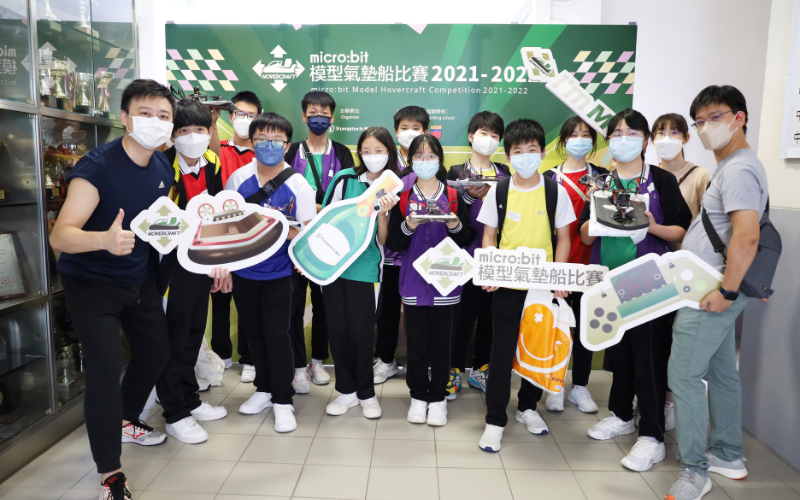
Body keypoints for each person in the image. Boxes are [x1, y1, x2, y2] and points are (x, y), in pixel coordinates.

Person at [49, 79, 177, 500]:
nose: (155, 122)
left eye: (163, 116)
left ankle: (123, 419)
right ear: (125, 118)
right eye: (145, 113)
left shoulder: (162, 166)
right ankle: (111, 474)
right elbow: (60, 236)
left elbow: (152, 223)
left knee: (155, 352)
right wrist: (103, 239)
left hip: (137, 277)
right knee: (104, 373)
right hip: (92, 283)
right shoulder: (97, 167)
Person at [665, 86, 768, 500]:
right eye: (700, 121)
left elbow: (746, 236)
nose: (706, 127)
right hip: (712, 287)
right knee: (723, 372)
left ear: (739, 118)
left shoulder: (739, 169)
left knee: (684, 374)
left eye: (715, 117)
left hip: (713, 291)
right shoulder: (732, 167)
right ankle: (728, 454)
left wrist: (727, 290)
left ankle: (694, 471)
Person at [578, 109, 691, 472]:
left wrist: (652, 226)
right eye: (616, 134)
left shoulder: (661, 180)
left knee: (650, 357)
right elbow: (584, 236)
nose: (623, 140)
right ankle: (621, 414)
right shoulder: (600, 182)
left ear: (645, 140)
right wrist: (594, 217)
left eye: (631, 133)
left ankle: (652, 435)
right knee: (620, 353)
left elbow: (681, 231)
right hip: (609, 281)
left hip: (650, 282)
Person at [475, 118, 575, 452]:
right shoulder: (499, 190)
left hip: (542, 287)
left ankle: (528, 407)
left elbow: (564, 238)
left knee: (538, 349)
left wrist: (558, 276)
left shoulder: (554, 191)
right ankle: (494, 420)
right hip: (506, 286)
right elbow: (489, 237)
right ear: (508, 156)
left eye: (532, 149)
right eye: (518, 151)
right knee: (501, 353)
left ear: (542, 153)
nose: (525, 156)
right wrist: (491, 270)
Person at [224, 112, 316, 432]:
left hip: (280, 274)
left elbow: (307, 234)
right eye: (262, 139)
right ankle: (263, 390)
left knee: (278, 336)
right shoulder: (238, 179)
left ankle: (283, 400)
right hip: (244, 272)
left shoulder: (298, 184)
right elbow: (226, 226)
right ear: (252, 142)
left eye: (277, 140)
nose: (269, 145)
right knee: (254, 334)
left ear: (287, 145)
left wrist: (279, 228)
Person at [386, 134, 475, 427]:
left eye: (431, 156)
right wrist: (408, 225)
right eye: (419, 156)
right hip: (413, 281)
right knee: (416, 344)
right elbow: (394, 243)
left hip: (446, 281)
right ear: (411, 160)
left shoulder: (452, 195)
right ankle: (418, 396)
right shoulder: (402, 196)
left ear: (440, 160)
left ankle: (437, 398)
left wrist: (454, 223)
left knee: (442, 344)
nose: (426, 161)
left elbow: (466, 238)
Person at [155, 98, 230, 444]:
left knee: (193, 334)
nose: (193, 136)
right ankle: (175, 413)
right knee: (173, 338)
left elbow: (218, 216)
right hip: (171, 266)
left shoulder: (212, 162)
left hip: (201, 263)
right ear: (172, 135)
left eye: (200, 129)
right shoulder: (160, 166)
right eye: (184, 130)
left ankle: (190, 399)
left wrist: (219, 261)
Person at [322, 127, 400, 419]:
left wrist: (383, 213)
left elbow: (383, 239)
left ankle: (366, 394)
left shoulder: (393, 186)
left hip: (366, 269)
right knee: (338, 330)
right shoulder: (345, 179)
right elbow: (324, 220)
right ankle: (346, 391)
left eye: (378, 150)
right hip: (334, 267)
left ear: (389, 152)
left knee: (362, 333)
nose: (372, 156)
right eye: (366, 151)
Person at [285, 91, 354, 393]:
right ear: (303, 116)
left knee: (325, 304)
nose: (319, 118)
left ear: (332, 117)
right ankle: (298, 366)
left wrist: (317, 210)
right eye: (313, 113)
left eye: (324, 113)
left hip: (329, 240)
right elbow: (284, 193)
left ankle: (317, 361)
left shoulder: (342, 153)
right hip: (295, 239)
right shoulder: (291, 152)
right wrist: (314, 209)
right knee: (293, 304)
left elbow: (348, 196)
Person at [543, 116, 608, 414]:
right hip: (557, 264)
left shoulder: (603, 176)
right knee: (555, 328)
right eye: (574, 134)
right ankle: (554, 384)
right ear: (563, 140)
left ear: (593, 142)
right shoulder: (549, 177)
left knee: (584, 329)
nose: (579, 140)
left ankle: (579, 386)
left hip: (592, 263)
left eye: (586, 135)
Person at [445, 111, 510, 399]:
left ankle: (482, 369)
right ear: (471, 137)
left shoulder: (505, 173)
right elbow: (447, 210)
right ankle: (452, 369)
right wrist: (470, 196)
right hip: (463, 256)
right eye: (484, 133)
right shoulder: (455, 172)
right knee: (460, 316)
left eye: (495, 135)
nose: (489, 139)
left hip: (495, 256)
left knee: (490, 316)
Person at [373, 105, 430, 384]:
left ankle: (423, 362)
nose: (410, 133)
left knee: (422, 311)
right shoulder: (385, 165)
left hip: (421, 254)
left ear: (426, 132)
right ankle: (385, 360)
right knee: (387, 309)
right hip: (391, 253)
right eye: (404, 128)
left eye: (416, 128)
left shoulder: (431, 164)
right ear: (396, 132)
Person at [209, 90, 263, 383]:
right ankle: (221, 354)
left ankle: (250, 357)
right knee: (219, 293)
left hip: (251, 233)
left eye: (251, 115)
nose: (245, 119)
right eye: (240, 114)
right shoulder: (219, 148)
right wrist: (211, 123)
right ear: (231, 117)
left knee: (247, 298)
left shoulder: (263, 153)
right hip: (219, 231)